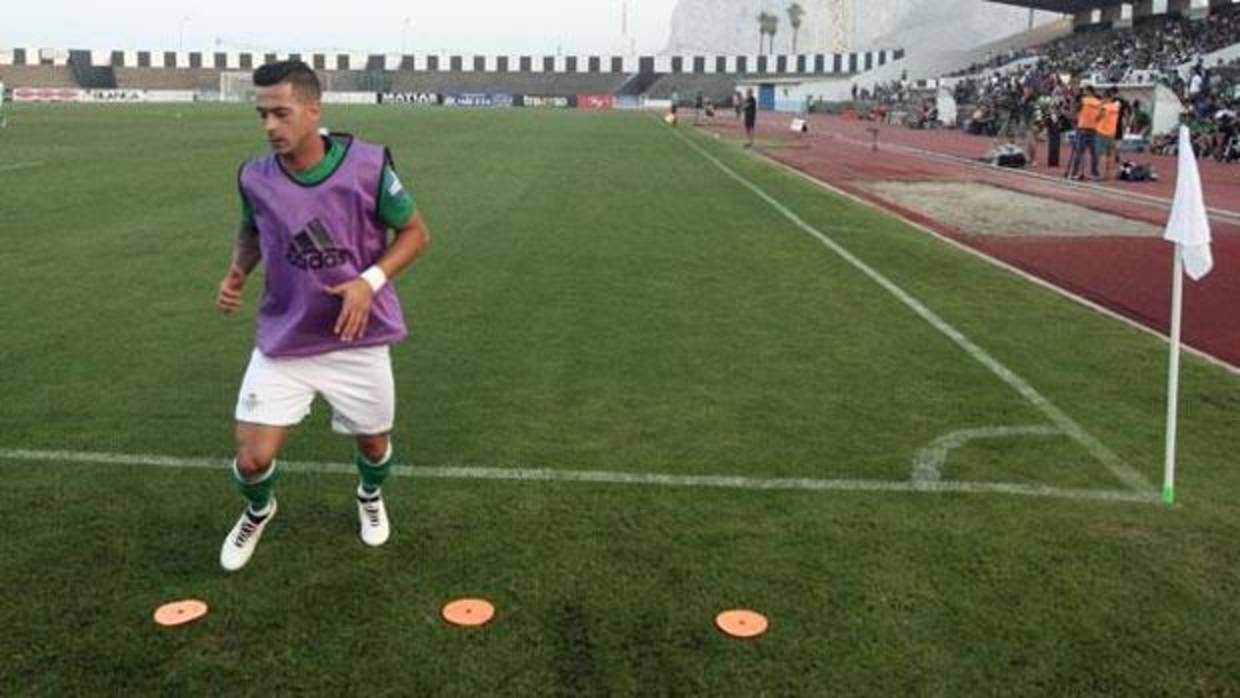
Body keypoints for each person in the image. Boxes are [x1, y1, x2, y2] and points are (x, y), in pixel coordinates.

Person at [215, 60, 431, 572]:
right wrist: (237, 273)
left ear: (314, 110)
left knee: (374, 444)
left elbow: (417, 232)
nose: (270, 126)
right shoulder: (254, 176)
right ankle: (259, 508)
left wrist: (368, 282)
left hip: (357, 335)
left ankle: (369, 496)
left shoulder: (369, 166)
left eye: (281, 113)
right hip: (286, 338)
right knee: (251, 459)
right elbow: (252, 231)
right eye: (262, 115)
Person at [1067, 84, 1102, 181]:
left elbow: (1073, 114)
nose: (1083, 93)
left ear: (1089, 91)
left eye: (1085, 91)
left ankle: (1075, 173)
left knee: (1079, 152)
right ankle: (1094, 173)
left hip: (1082, 129)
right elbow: (1100, 116)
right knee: (1094, 153)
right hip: (1094, 130)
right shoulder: (1098, 102)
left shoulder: (1083, 101)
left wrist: (1071, 108)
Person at [1097, 88, 1122, 180]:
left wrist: (1100, 105)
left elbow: (1098, 117)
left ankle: (1102, 175)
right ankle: (1109, 175)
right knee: (1110, 154)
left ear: (1105, 97)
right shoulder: (1115, 107)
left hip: (1102, 132)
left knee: (1102, 154)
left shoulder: (1104, 107)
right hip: (1112, 132)